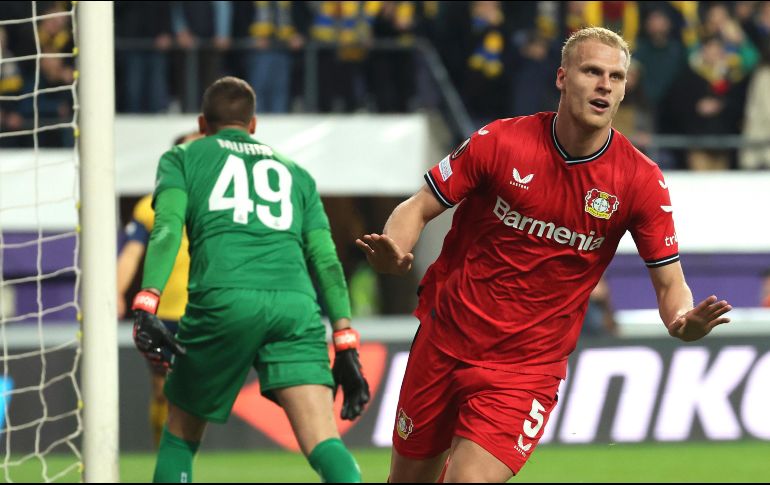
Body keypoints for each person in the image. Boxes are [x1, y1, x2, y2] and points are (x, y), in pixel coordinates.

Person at [356, 27, 733, 483]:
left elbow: (671, 282)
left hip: (525, 369)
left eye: (616, 76)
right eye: (592, 71)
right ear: (562, 77)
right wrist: (396, 247)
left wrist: (680, 321)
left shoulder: (640, 181)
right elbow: (417, 206)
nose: (604, 85)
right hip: (444, 340)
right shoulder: (500, 142)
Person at [130, 76, 369, 483]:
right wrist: (345, 339)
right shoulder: (297, 173)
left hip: (224, 299)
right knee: (323, 441)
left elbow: (167, 228)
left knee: (180, 437)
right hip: (296, 307)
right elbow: (326, 258)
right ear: (254, 125)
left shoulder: (183, 157)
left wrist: (146, 300)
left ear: (203, 124)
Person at [117, 132, 201, 447]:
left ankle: (180, 452)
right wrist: (116, 292)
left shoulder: (222, 201)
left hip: (204, 308)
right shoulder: (151, 205)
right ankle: (163, 451)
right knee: (162, 389)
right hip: (163, 311)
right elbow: (132, 253)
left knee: (191, 392)